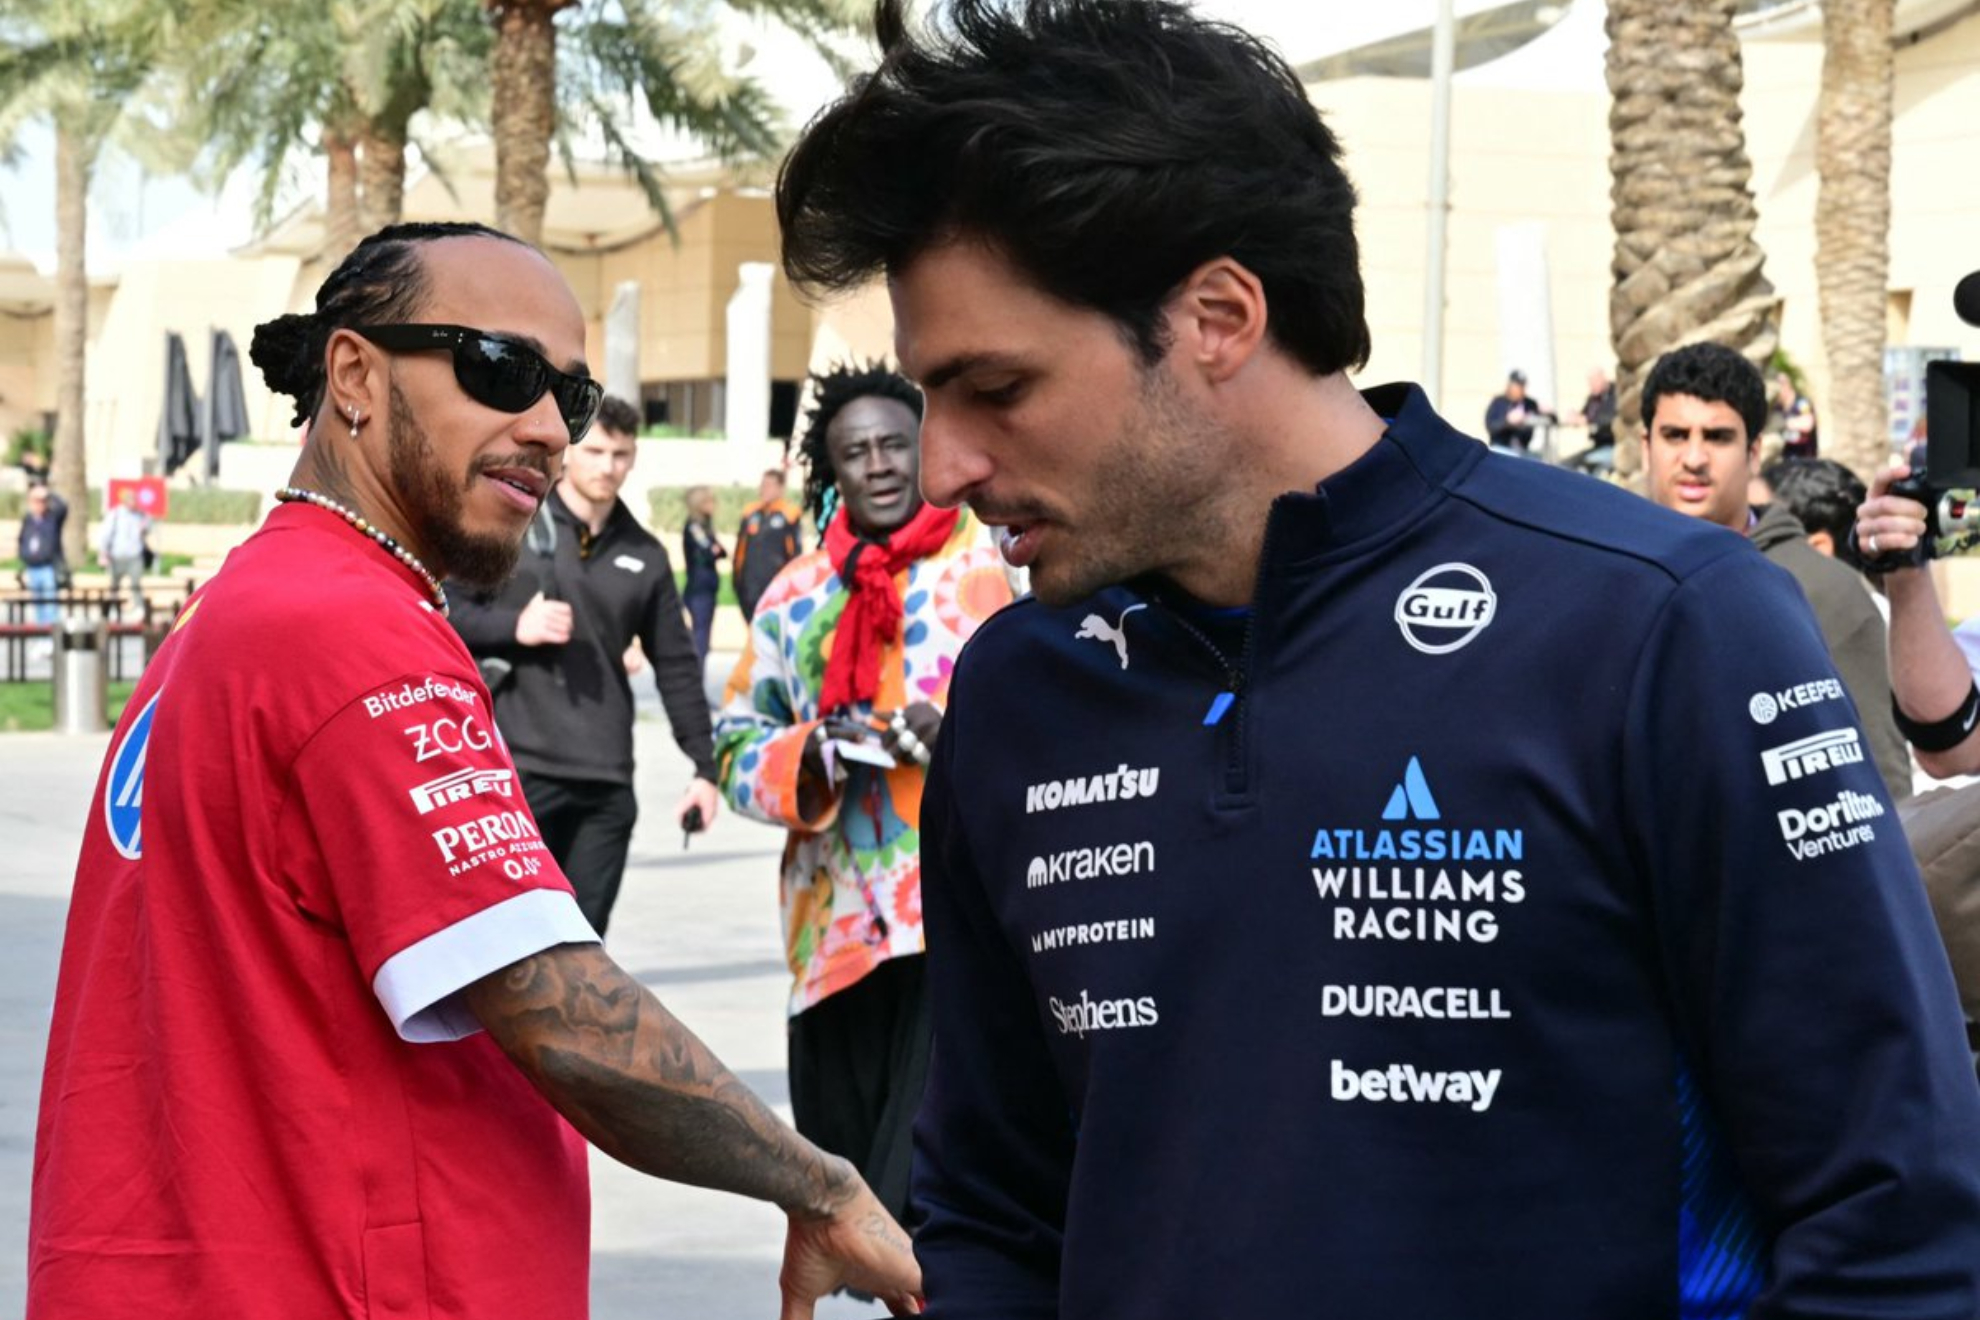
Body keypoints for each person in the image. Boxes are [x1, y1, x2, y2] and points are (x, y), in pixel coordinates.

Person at [774, 3, 1980, 1316]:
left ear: (1220, 315)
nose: (941, 464)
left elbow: (1892, 1214)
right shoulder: (1019, 695)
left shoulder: (1664, 626)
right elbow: (997, 1215)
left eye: (996, 388)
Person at [27, 221, 920, 1320]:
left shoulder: (250, 603)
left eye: (572, 398)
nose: (547, 427)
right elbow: (563, 1015)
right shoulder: (350, 628)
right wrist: (819, 1186)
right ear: (353, 374)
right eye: (501, 370)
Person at [715, 363, 1013, 1226]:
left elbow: (1074, 697)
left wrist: (959, 727)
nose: (879, 463)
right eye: (856, 451)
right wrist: (820, 751)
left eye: (895, 443)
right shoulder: (793, 598)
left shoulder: (999, 562)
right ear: (830, 469)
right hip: (836, 924)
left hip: (964, 912)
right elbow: (736, 744)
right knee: (856, 1191)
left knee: (927, 1189)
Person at [448, 393, 723, 938]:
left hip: (606, 782)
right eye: (595, 450)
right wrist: (514, 628)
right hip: (518, 774)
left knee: (581, 951)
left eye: (620, 454)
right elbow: (445, 610)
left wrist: (703, 767)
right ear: (570, 451)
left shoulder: (644, 554)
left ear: (634, 457)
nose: (607, 466)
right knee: (501, 946)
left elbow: (675, 664)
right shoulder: (513, 525)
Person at [1642, 343, 1911, 801]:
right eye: (1675, 435)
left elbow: (1884, 787)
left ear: (1753, 452)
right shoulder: (1605, 575)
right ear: (1646, 447)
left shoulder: (1823, 589)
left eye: (1717, 437)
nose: (1694, 458)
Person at [733, 467, 805, 621]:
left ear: (780, 488)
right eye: (762, 484)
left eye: (769, 485)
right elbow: (740, 550)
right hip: (750, 585)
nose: (764, 489)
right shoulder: (750, 513)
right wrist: (737, 578)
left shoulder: (789, 514)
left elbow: (795, 553)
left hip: (775, 585)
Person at [682, 483, 726, 665]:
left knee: (704, 634)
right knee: (700, 636)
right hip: (699, 587)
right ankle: (696, 676)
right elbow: (710, 551)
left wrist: (716, 550)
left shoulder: (706, 526)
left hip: (707, 586)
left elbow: (722, 552)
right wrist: (714, 550)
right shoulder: (694, 527)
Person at [97, 486, 154, 617]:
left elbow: (148, 527)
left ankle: (139, 609)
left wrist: (145, 526)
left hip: (135, 556)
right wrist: (103, 553)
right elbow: (105, 535)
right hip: (116, 556)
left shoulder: (141, 515)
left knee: (136, 583)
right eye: (130, 499)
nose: (133, 502)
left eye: (134, 499)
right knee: (114, 585)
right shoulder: (115, 514)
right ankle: (112, 608)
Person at [17, 482, 64, 627]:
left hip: (48, 566)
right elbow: (22, 540)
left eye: (42, 501)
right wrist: (24, 557)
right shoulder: (28, 519)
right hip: (33, 567)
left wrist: (48, 492)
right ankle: (41, 635)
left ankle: (52, 635)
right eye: (35, 501)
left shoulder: (52, 518)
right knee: (38, 605)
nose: (39, 504)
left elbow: (63, 507)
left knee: (50, 604)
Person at [1483, 369, 1553, 453]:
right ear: (1510, 386)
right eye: (1518, 386)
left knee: (1541, 459)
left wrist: (1550, 414)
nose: (1521, 389)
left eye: (1523, 386)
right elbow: (1490, 426)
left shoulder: (1530, 404)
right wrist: (1508, 422)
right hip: (1501, 448)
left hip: (1523, 449)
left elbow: (1551, 420)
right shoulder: (1498, 402)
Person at [1772, 370, 1819, 459]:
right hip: (1786, 456)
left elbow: (1807, 424)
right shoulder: (1778, 407)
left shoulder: (1802, 403)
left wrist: (1784, 423)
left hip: (1804, 457)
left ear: (1786, 385)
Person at [1568, 366, 1616, 450]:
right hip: (1597, 443)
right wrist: (1575, 417)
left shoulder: (1615, 393)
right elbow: (1584, 414)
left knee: (1585, 461)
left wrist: (1588, 420)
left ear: (1602, 379)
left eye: (1593, 382)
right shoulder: (1593, 398)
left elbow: (1610, 417)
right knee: (1568, 462)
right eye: (1590, 383)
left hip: (1612, 443)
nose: (1591, 386)